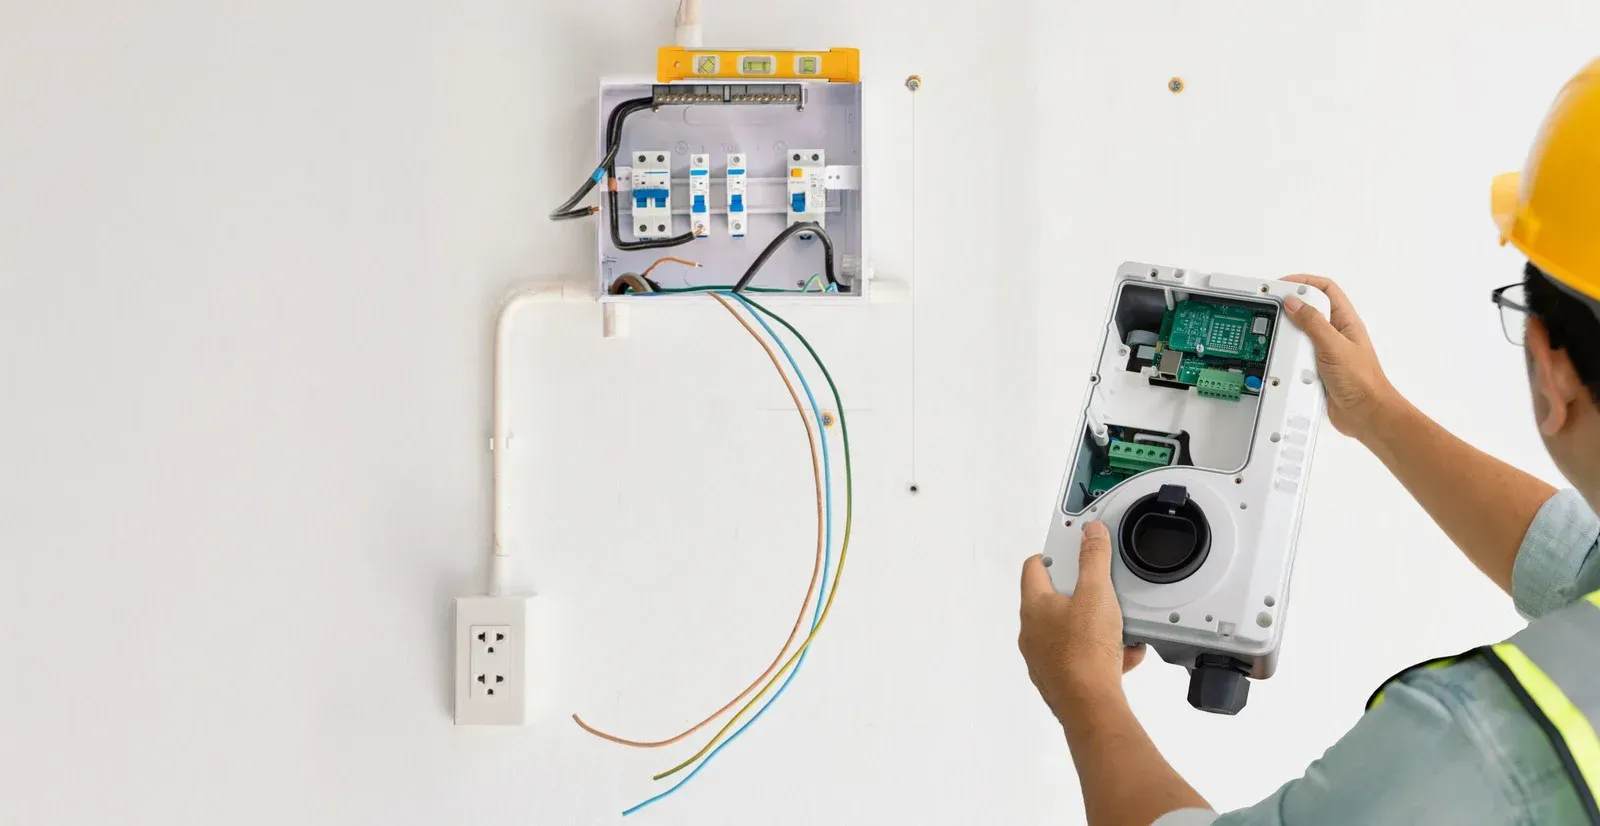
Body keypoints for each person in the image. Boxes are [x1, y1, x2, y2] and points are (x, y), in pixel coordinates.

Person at [1018, 57, 1600, 826]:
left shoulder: (1482, 747)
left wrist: (1085, 695)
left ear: (1550, 367)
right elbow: (1576, 558)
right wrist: (1376, 412)